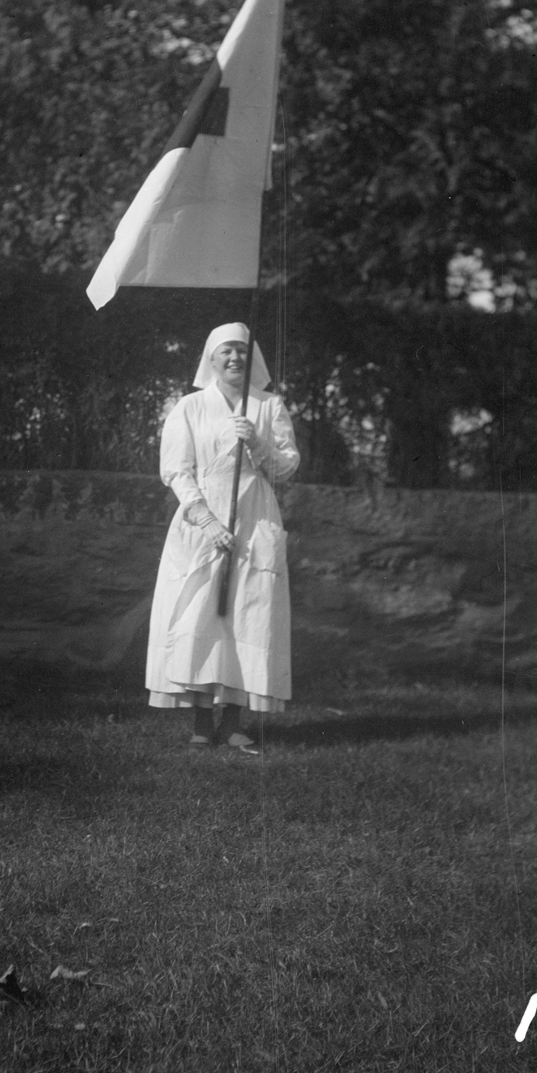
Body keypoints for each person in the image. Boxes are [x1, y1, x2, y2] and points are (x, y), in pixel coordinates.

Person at [146, 323, 300, 754]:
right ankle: (200, 722)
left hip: (254, 518)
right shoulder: (190, 407)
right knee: (201, 615)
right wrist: (208, 520)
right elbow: (177, 470)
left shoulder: (269, 406)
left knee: (246, 614)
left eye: (242, 351)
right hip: (203, 520)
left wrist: (257, 444)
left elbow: (286, 468)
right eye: (226, 351)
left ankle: (233, 724)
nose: (235, 358)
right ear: (210, 359)